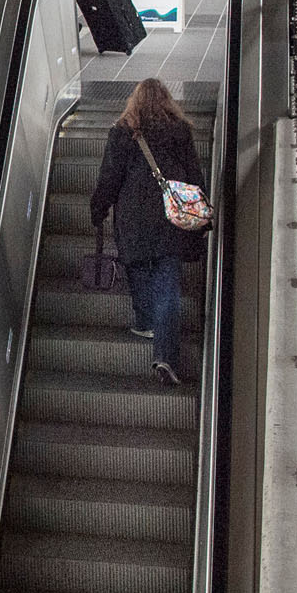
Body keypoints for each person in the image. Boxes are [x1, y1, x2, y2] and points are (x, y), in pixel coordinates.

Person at [90, 78, 207, 386]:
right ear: (167, 101)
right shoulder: (180, 131)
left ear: (135, 101)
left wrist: (98, 209)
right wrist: (202, 214)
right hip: (170, 220)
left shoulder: (121, 133)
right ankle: (165, 356)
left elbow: (109, 179)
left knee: (139, 273)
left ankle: (145, 322)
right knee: (168, 288)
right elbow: (194, 175)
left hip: (133, 221)